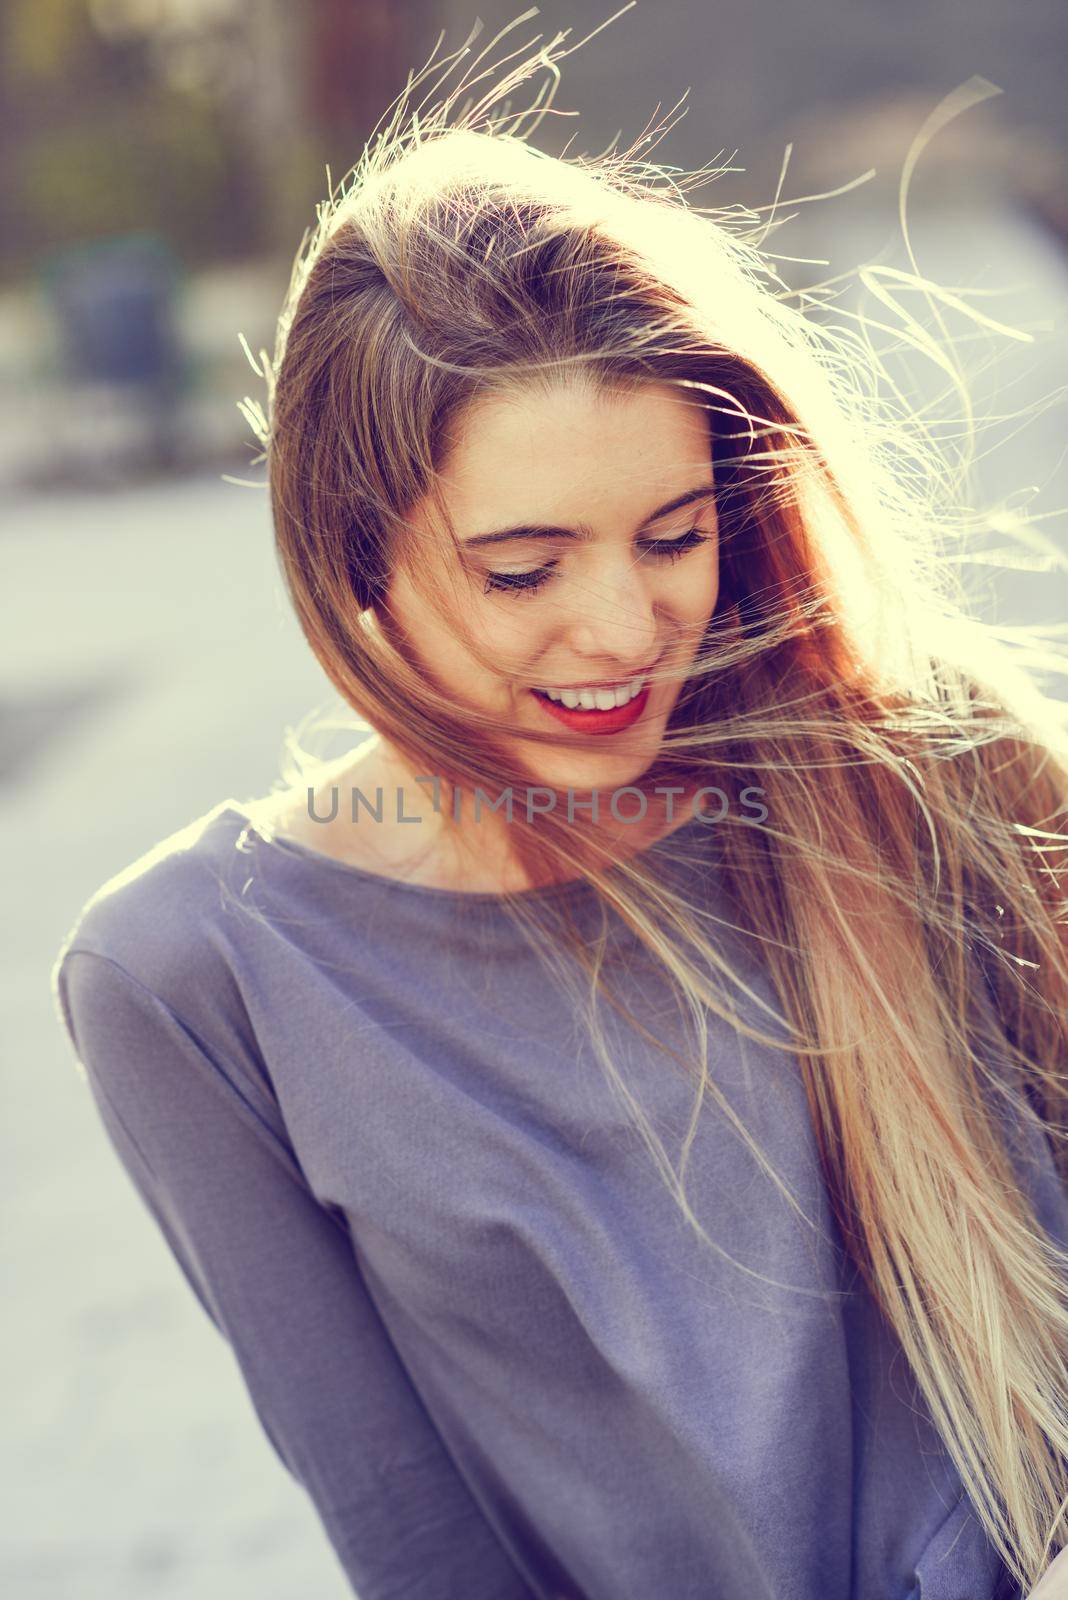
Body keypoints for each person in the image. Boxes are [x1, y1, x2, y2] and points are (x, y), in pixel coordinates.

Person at [50, 17, 1068, 1600]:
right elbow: (404, 1526)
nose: (622, 631)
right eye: (523, 569)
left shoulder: (937, 771)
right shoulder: (189, 981)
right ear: (352, 552)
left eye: (674, 533)